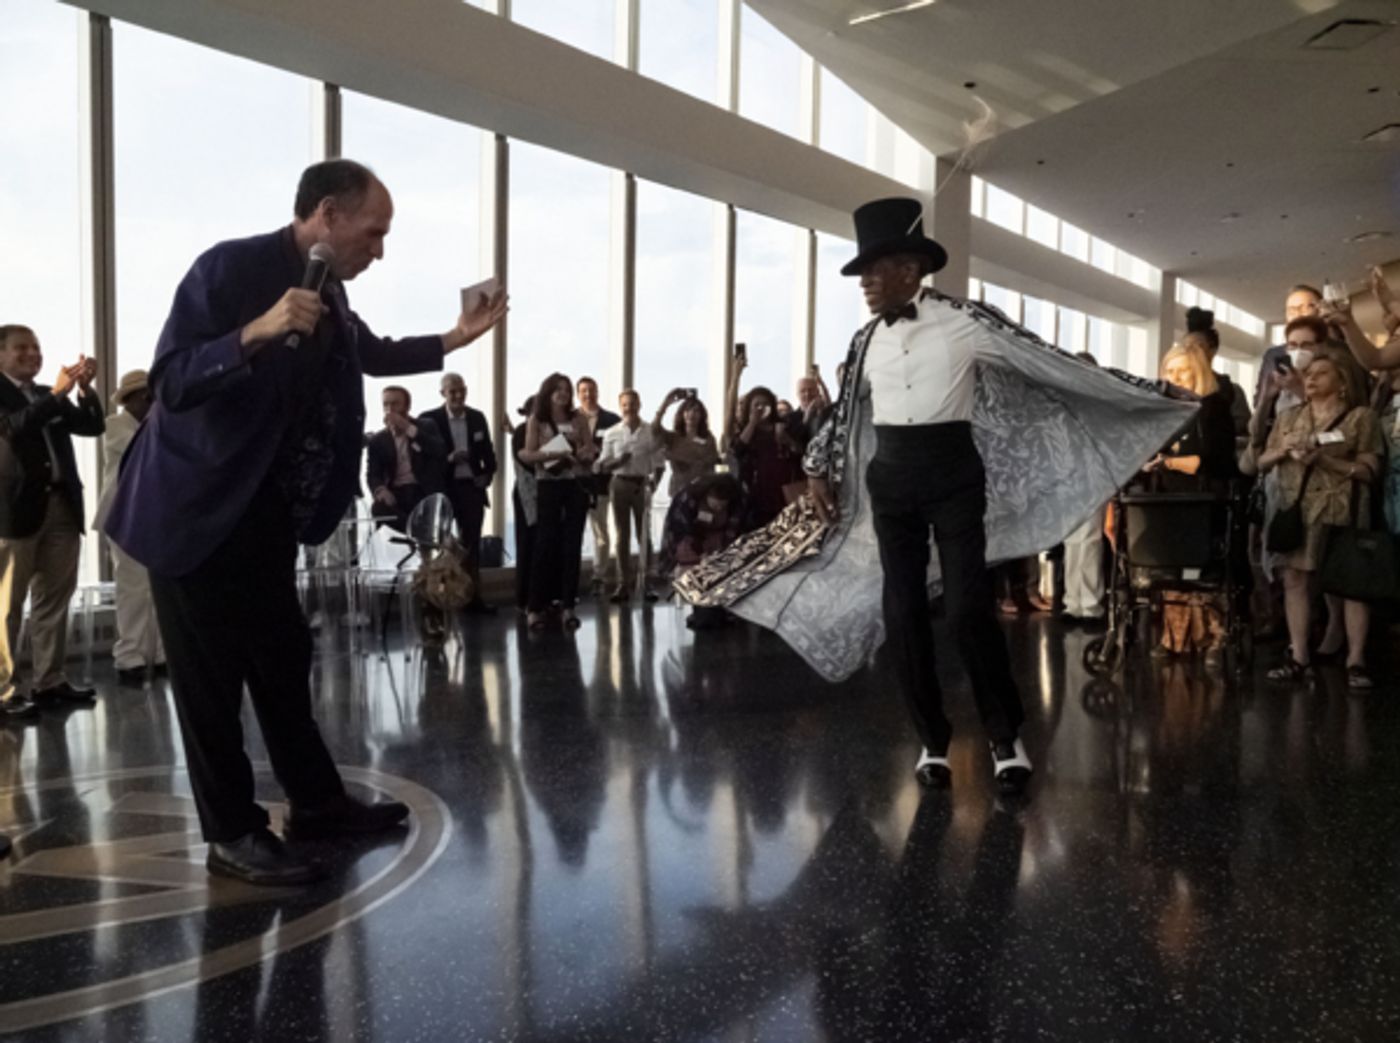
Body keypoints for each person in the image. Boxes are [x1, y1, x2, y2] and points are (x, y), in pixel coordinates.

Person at [675, 197, 1196, 798]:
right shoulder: (864, 339)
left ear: (910, 270)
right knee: (902, 615)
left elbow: (1048, 364)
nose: (865, 283)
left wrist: (1148, 393)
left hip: (953, 474)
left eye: (875, 270)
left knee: (970, 608)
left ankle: (1006, 739)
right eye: (862, 273)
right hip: (890, 480)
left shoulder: (966, 322)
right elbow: (846, 414)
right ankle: (933, 742)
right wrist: (817, 468)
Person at [104, 159, 507, 886]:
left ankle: (317, 803)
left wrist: (454, 337)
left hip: (259, 510)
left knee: (282, 661)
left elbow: (370, 353)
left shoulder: (332, 290)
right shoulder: (230, 268)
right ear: (326, 213)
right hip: (190, 509)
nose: (379, 249)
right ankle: (232, 832)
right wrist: (257, 329)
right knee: (210, 683)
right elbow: (171, 379)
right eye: (374, 231)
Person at [1256, 346, 1381, 689]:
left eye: (1320, 373)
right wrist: (1284, 450)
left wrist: (1324, 461)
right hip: (1297, 508)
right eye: (1308, 374)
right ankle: (1299, 655)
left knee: (1350, 585)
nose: (1310, 378)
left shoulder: (1360, 418)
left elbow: (1369, 471)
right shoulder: (1289, 418)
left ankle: (1356, 659)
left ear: (1342, 382)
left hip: (1343, 510)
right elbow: (1261, 461)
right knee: (1294, 579)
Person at [0, 325, 104, 719]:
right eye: (21, 348)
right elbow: (12, 428)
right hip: (15, 513)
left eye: (37, 347)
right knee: (7, 606)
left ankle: (50, 680)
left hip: (62, 506)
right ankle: (4, 691)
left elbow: (92, 426)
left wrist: (84, 390)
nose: (33, 354)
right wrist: (59, 394)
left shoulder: (46, 394)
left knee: (54, 599)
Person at [1144, 341, 1238, 664]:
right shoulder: (1165, 410)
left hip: (1204, 499)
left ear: (1198, 372)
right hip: (1168, 498)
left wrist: (1168, 462)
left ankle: (1212, 636)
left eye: (1183, 370)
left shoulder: (1214, 408)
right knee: (1170, 568)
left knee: (1202, 567)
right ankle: (1174, 637)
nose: (1176, 377)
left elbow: (1217, 459)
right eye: (1170, 371)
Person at [93, 369, 164, 686]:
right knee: (132, 587)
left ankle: (159, 652)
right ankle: (129, 656)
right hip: (124, 517)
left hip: (155, 516)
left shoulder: (156, 425)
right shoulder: (115, 426)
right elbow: (146, 450)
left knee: (159, 589)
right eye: (148, 396)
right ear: (133, 398)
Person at [518, 373, 595, 630]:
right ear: (547, 392)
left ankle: (568, 605)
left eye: (566, 389)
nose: (563, 394)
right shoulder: (536, 420)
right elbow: (527, 454)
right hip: (548, 483)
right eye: (557, 389)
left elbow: (589, 449)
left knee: (572, 544)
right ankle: (535, 606)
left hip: (575, 483)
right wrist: (553, 452)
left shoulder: (578, 418)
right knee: (545, 542)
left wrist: (583, 452)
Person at [420, 372, 497, 613]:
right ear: (442, 393)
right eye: (452, 391)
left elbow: (489, 453)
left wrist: (487, 474)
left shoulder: (477, 417)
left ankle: (472, 599)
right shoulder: (429, 420)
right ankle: (435, 601)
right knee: (437, 544)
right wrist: (449, 458)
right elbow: (424, 459)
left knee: (471, 545)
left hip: (471, 488)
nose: (458, 395)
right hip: (444, 490)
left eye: (461, 390)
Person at [595, 390, 664, 603]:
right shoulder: (612, 433)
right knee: (621, 535)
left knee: (644, 536)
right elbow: (602, 464)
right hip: (620, 484)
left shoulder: (650, 432)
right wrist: (618, 461)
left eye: (633, 403)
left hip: (641, 484)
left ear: (639, 404)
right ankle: (622, 584)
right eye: (625, 404)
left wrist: (654, 484)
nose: (629, 407)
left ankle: (647, 583)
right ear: (620, 406)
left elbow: (660, 463)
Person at [365, 385, 445, 531]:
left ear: (407, 406)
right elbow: (373, 474)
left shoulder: (426, 426)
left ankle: (415, 532)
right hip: (396, 493)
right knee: (378, 508)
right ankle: (416, 532)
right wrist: (380, 490)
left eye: (395, 404)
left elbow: (439, 450)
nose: (390, 409)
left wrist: (408, 428)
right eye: (386, 404)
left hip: (422, 490)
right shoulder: (378, 440)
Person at [730, 385, 805, 528]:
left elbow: (799, 452)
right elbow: (737, 450)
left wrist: (786, 439)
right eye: (756, 405)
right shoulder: (745, 428)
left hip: (782, 488)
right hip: (756, 490)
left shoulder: (783, 426)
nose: (761, 408)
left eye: (765, 404)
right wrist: (752, 423)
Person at [575, 376, 620, 595]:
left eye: (591, 390)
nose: (588, 395)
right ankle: (570, 575)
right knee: (573, 531)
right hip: (573, 482)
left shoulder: (611, 420)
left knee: (600, 531)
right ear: (578, 394)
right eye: (584, 391)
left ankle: (599, 577)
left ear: (598, 392)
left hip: (601, 483)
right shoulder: (570, 419)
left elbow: (618, 450)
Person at [1255, 284, 1323, 409]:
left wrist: (1297, 387)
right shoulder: (1274, 354)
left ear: (1320, 310)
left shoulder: (1335, 351)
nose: (1298, 314)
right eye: (1292, 310)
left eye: (1306, 307)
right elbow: (1259, 401)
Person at [652, 388, 720, 498]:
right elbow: (654, 430)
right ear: (682, 414)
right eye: (688, 410)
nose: (692, 414)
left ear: (702, 415)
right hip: (678, 491)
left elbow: (712, 462)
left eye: (696, 411)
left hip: (702, 491)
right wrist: (665, 404)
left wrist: (681, 459)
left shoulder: (708, 438)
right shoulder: (673, 437)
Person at [505, 398, 537, 615]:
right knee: (526, 544)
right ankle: (523, 598)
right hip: (526, 495)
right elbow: (527, 460)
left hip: (545, 494)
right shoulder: (521, 432)